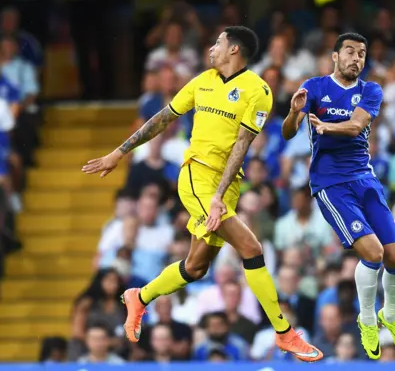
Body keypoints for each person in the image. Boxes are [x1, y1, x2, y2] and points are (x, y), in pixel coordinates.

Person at [82, 26, 323, 362]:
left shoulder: (259, 91)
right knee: (251, 248)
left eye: (218, 43)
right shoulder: (201, 81)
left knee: (196, 268)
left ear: (234, 49)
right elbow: (163, 118)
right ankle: (284, 333)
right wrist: (120, 152)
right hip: (196, 177)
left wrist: (220, 196)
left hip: (225, 184)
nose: (211, 48)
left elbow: (242, 144)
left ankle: (140, 295)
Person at [281, 32, 395, 360]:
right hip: (330, 184)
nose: (356, 58)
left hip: (364, 179)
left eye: (362, 54)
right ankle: (367, 319)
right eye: (350, 52)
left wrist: (324, 127)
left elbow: (355, 126)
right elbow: (287, 133)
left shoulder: (371, 90)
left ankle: (390, 316)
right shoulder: (315, 87)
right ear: (335, 56)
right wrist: (294, 113)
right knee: (373, 252)